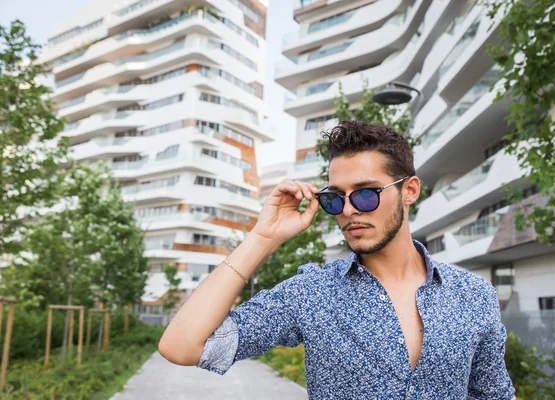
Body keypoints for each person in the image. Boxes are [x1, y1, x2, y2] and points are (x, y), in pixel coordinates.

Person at [159, 121, 516, 399]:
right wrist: (262, 238)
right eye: (335, 198)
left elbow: (493, 395)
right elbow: (182, 346)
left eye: (365, 194)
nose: (347, 211)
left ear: (409, 191)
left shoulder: (473, 295)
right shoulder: (313, 293)